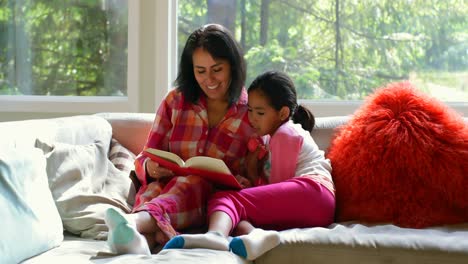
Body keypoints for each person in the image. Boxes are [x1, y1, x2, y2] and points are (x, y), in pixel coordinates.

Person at [104, 23, 256, 255]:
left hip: (212, 203)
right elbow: (146, 156)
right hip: (164, 190)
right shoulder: (175, 101)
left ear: (233, 67)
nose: (209, 79)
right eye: (200, 71)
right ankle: (142, 240)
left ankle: (132, 224)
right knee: (157, 192)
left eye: (217, 69)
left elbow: (258, 175)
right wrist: (150, 167)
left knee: (192, 183)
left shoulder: (253, 112)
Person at [163, 71, 336, 260]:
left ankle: (215, 236)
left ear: (283, 113)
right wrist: (252, 173)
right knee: (236, 215)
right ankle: (254, 235)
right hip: (314, 204)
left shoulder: (286, 133)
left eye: (260, 113)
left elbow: (279, 184)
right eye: (251, 111)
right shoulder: (272, 138)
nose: (252, 118)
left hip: (314, 193)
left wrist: (250, 184)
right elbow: (273, 196)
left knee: (225, 199)